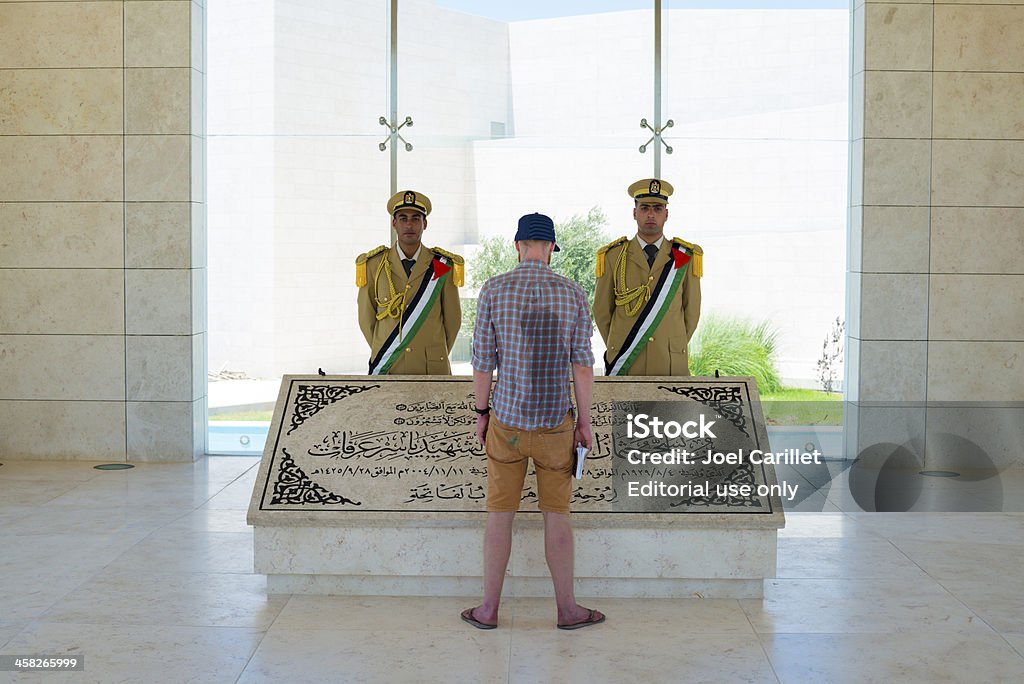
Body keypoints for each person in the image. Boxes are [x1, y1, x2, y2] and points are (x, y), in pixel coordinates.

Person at [461, 213, 605, 631]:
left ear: (517, 244)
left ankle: (488, 610)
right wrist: (585, 422)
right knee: (557, 516)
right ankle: (567, 610)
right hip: (556, 426)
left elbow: (483, 362)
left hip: (505, 424)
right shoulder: (572, 292)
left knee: (499, 516)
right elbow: (582, 365)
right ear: (552, 249)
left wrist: (482, 413)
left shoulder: (494, 289)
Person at [593, 178, 703, 376]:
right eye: (644, 208)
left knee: (670, 409)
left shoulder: (685, 256)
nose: (651, 214)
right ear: (634, 213)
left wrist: (672, 343)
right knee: (624, 408)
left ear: (666, 214)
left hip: (669, 365)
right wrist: (619, 343)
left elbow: (691, 312)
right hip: (626, 362)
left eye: (658, 208)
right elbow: (602, 312)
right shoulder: (613, 257)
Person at [356, 190, 463, 375]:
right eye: (403, 218)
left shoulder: (442, 265)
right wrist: (385, 348)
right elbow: (366, 319)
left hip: (432, 368)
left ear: (425, 224)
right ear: (394, 224)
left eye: (415, 218)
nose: (409, 225)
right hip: (389, 365)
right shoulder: (374, 264)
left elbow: (453, 321)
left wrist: (434, 351)